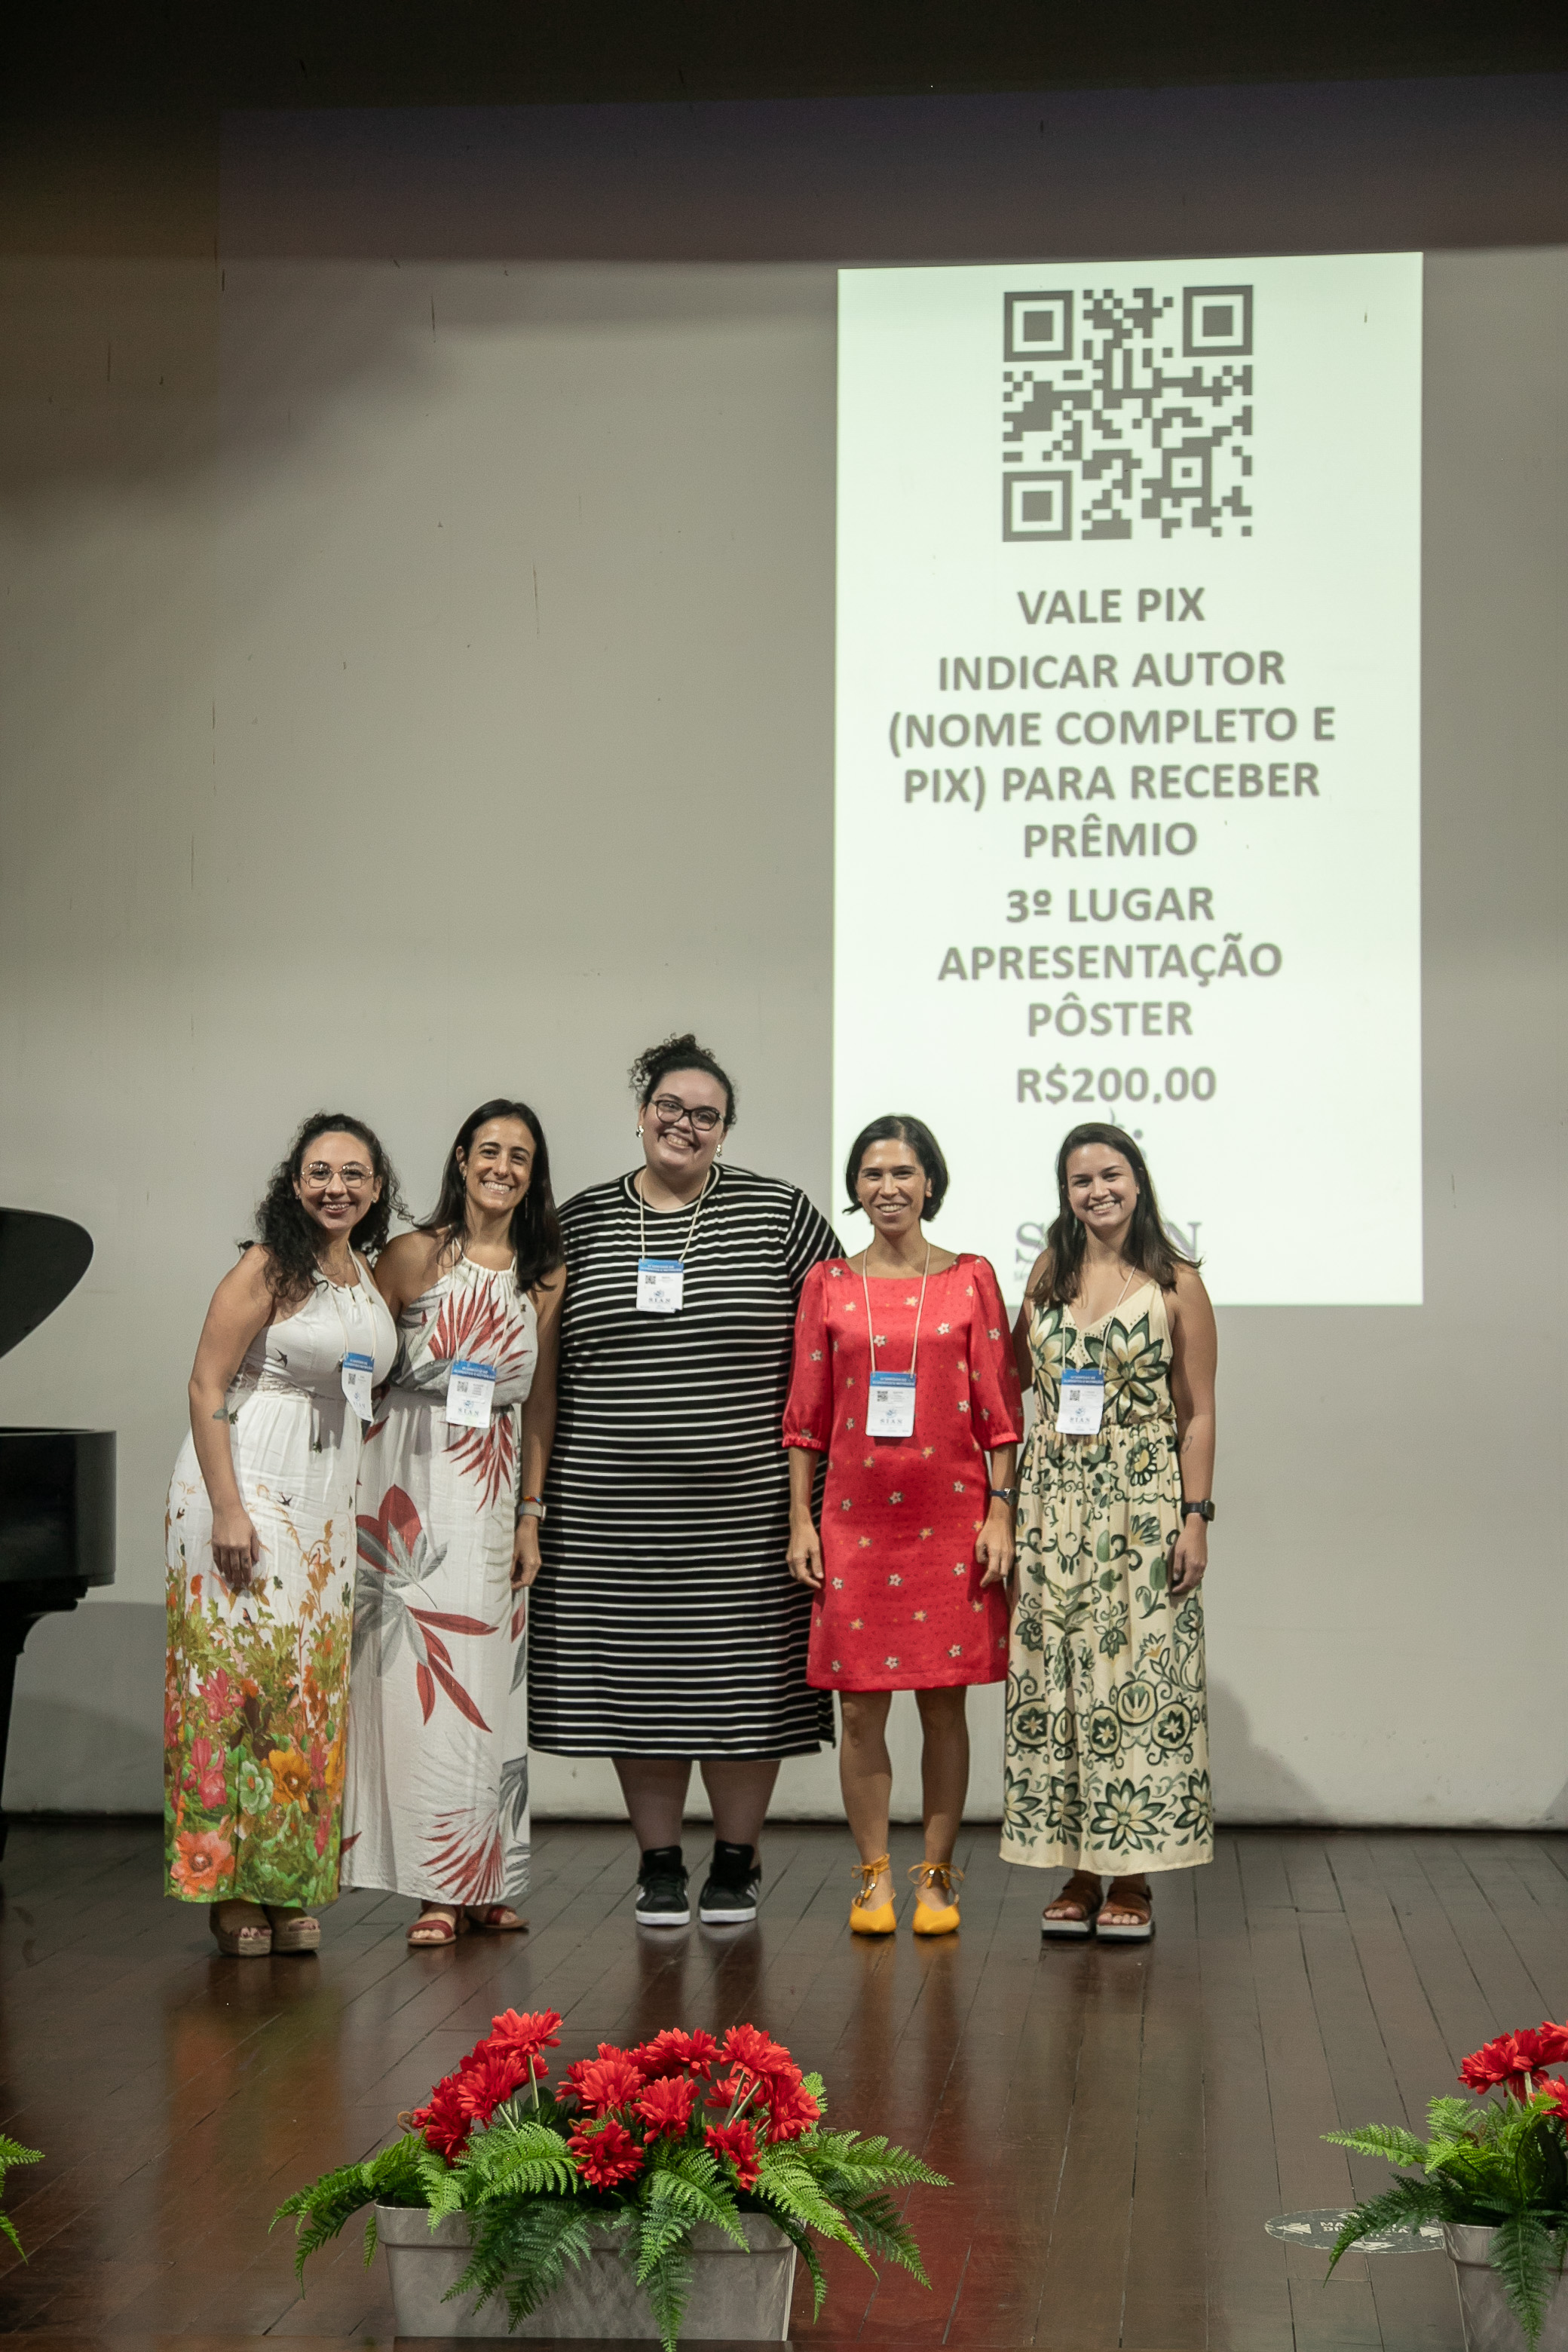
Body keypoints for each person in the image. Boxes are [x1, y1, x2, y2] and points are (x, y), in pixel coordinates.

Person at [528, 1032, 839, 1930]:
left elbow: (833, 1344)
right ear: (640, 1113)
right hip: (608, 1511)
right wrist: (533, 1505)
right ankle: (658, 1862)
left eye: (707, 1115)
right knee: (638, 1684)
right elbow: (541, 1368)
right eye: (670, 1107)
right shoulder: (581, 1222)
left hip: (750, 1510)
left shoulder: (779, 1214)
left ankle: (737, 1860)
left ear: (725, 1130)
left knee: (745, 1683)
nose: (686, 1125)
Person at [164, 1113, 400, 1956]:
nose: (336, 1187)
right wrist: (229, 1509)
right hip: (247, 1486)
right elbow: (206, 1386)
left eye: (353, 1173)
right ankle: (228, 1890)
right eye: (320, 1172)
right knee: (234, 1693)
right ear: (294, 1183)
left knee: (300, 1695)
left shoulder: (361, 1271)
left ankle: (282, 1882)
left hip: (323, 1506)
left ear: (376, 1187)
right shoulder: (267, 1266)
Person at [782, 1116, 1022, 1936]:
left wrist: (1001, 1511)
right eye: (873, 1174)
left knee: (944, 1707)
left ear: (930, 1183)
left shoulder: (970, 1277)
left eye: (904, 1173)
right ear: (856, 1187)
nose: (888, 1188)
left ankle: (939, 1878)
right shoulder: (827, 1284)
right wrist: (801, 1520)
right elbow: (806, 1418)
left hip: (951, 1520)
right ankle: (873, 1878)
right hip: (852, 1522)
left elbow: (1000, 1412)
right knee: (859, 1712)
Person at [341, 1100, 565, 1947]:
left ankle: (483, 1881)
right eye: (490, 1151)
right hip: (404, 1480)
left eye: (520, 1156)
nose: (502, 1167)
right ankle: (436, 1888)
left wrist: (531, 1514)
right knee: (416, 1690)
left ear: (533, 1174)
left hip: (491, 1485)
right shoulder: (411, 1254)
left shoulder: (542, 1273)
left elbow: (539, 1401)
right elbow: (362, 1369)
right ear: (463, 1159)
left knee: (485, 1686)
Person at [1003, 1122, 1217, 1941]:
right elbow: (1013, 1384)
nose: (1097, 1191)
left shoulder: (1176, 1281)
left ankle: (1132, 1876)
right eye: (1080, 1180)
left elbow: (1198, 1415)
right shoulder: (1047, 1272)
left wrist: (1196, 1519)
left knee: (1135, 1679)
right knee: (1059, 1677)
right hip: (1053, 1502)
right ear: (1065, 1193)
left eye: (1111, 1174)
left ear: (1137, 1180)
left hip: (1142, 1504)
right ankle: (1078, 1869)